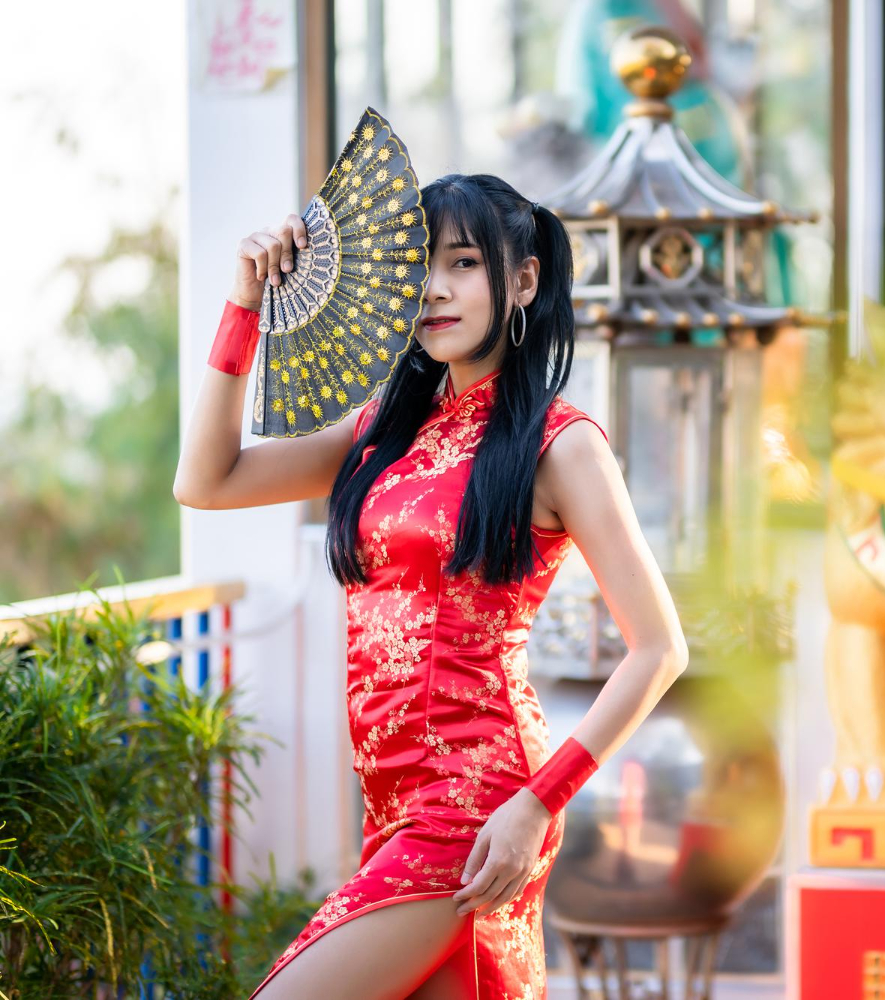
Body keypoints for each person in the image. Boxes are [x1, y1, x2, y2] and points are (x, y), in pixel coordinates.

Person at [174, 173, 688, 999]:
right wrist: (244, 308)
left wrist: (537, 804)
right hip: (393, 803)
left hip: (479, 804)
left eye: (462, 264)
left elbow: (659, 649)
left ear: (521, 281)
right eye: (420, 268)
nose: (434, 291)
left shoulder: (563, 445)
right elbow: (206, 481)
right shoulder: (386, 429)